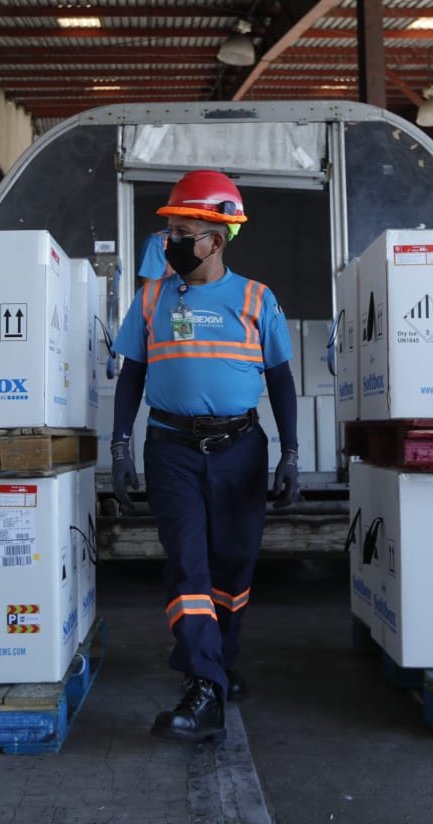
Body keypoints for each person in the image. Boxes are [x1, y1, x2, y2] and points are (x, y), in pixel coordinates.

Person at [110, 170, 301, 742]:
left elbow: (283, 381)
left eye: (183, 232)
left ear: (215, 241)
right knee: (188, 564)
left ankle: (220, 660)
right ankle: (202, 688)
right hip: (171, 450)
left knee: (233, 566)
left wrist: (291, 453)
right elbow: (131, 377)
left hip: (240, 449)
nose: (169, 242)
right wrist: (120, 446)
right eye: (169, 231)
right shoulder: (151, 299)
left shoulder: (256, 299)